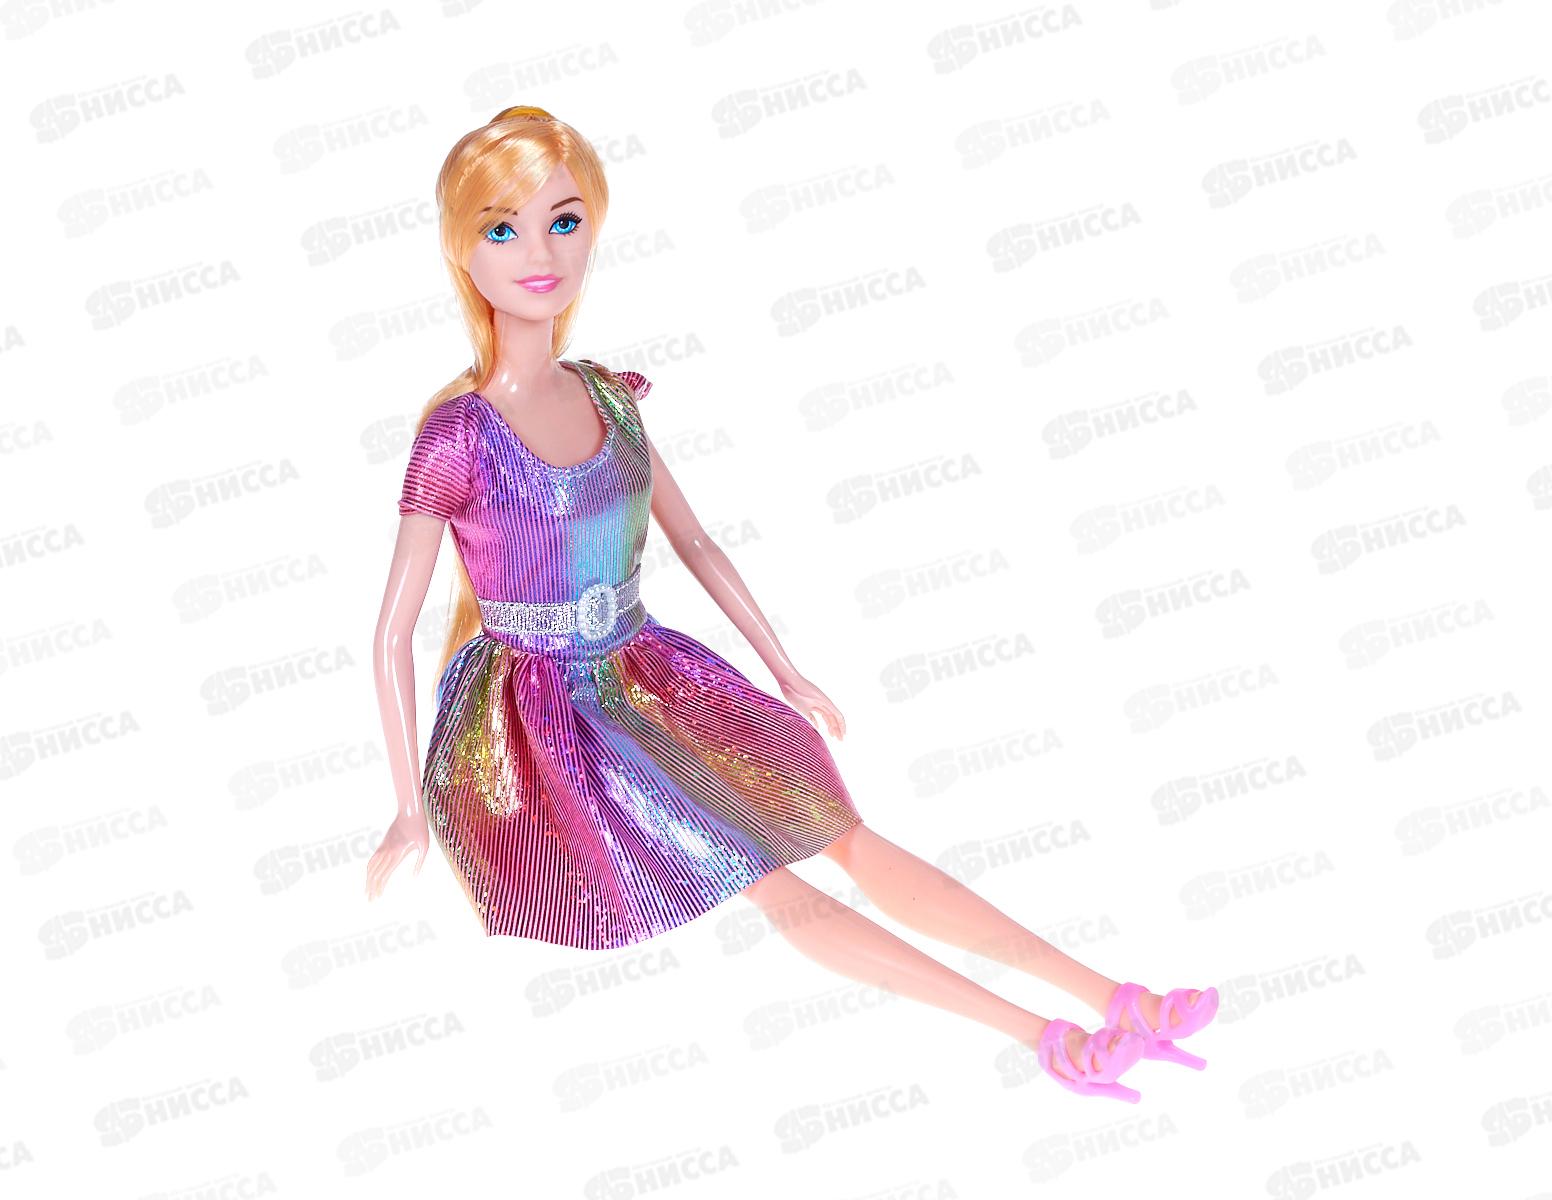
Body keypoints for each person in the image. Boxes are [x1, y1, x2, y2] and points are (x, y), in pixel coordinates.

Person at [366, 105, 1216, 1103]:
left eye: (563, 220)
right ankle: (1045, 1039)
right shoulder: (458, 435)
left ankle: (1115, 999)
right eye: (502, 229)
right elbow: (391, 633)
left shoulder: (608, 398)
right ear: (461, 249)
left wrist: (785, 670)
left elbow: (696, 542)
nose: (540, 253)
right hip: (549, 720)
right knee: (768, 875)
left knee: (838, 827)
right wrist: (407, 808)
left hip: (650, 672)